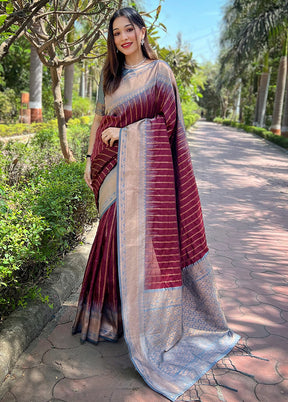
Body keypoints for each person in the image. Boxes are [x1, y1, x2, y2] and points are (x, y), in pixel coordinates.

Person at [72, 7, 240, 401]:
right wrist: (86, 160)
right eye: (116, 33)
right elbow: (99, 119)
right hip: (110, 168)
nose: (123, 38)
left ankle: (143, 326)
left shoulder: (160, 73)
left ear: (143, 32)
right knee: (110, 237)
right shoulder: (110, 78)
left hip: (147, 177)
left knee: (138, 244)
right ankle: (110, 320)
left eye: (128, 29)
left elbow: (168, 126)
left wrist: (128, 133)